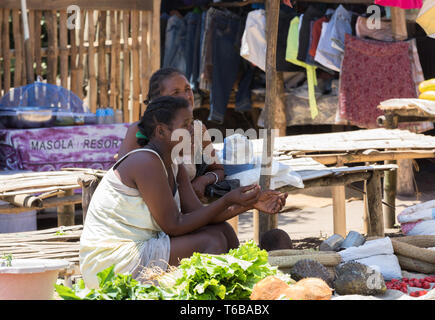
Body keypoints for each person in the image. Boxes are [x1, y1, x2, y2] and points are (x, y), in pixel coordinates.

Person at [80, 96, 288, 289]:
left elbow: (201, 215)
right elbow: (174, 225)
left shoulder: (173, 162)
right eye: (185, 125)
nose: (192, 130)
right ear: (161, 131)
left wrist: (251, 202)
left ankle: (240, 288)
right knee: (212, 242)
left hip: (141, 248)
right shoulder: (146, 162)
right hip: (109, 263)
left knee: (222, 230)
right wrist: (227, 200)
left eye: (192, 123)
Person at [117, 68, 223, 202]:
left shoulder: (197, 129)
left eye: (187, 89)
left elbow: (218, 170)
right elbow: (124, 182)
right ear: (159, 100)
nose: (186, 96)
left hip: (182, 209)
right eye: (176, 92)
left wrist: (203, 180)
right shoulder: (139, 131)